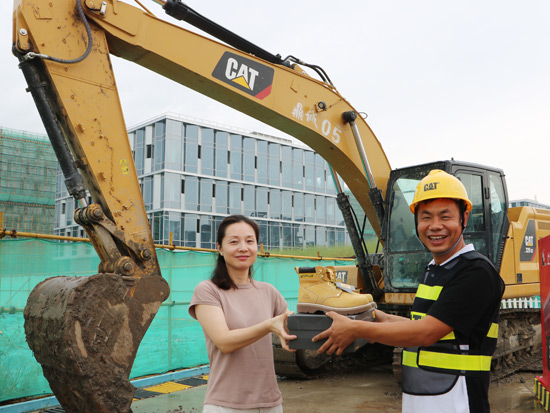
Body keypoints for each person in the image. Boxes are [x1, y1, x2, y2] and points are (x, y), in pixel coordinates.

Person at [313, 170, 505, 413]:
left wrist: (356, 329)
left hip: (458, 403)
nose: (435, 226)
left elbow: (426, 333)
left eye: (445, 216)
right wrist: (382, 318)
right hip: (424, 400)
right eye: (426, 217)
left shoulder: (475, 272)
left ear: (463, 217)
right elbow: (428, 325)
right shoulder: (435, 269)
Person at [189, 214, 296, 413]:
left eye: (249, 241)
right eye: (234, 242)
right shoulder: (208, 290)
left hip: (271, 404)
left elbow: (291, 328)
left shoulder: (268, 291)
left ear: (257, 246)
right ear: (220, 248)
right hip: (226, 405)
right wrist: (269, 325)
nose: (243, 248)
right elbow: (224, 342)